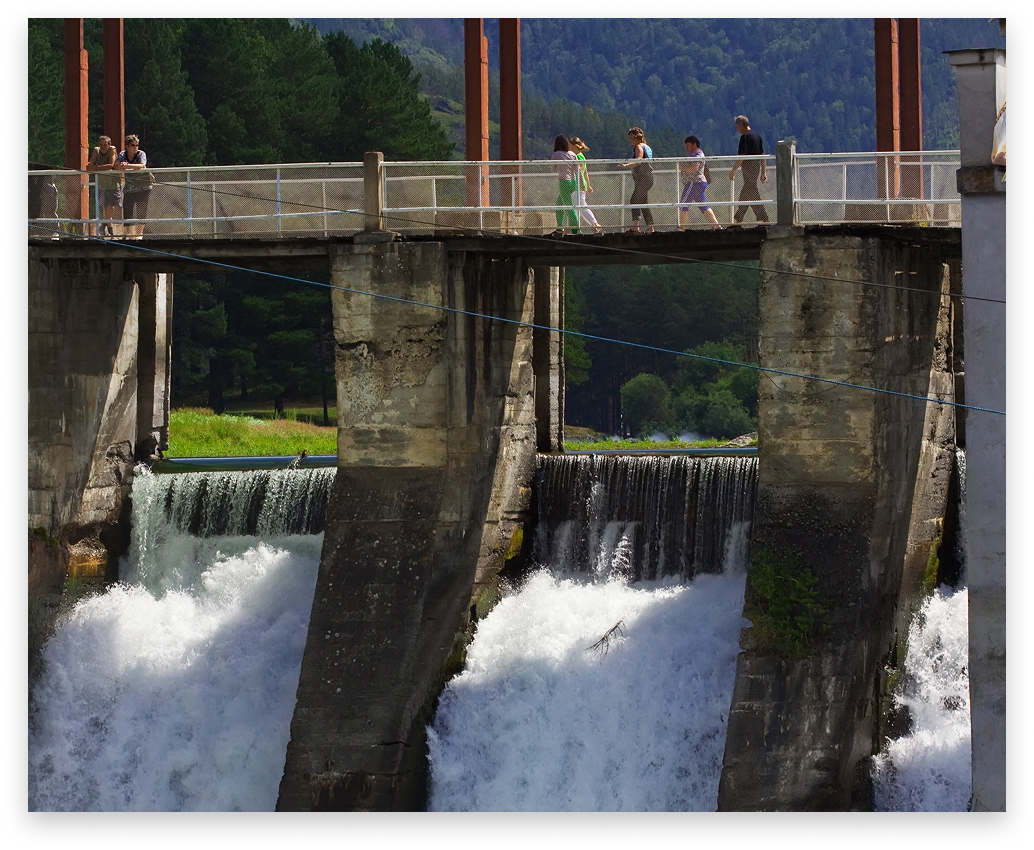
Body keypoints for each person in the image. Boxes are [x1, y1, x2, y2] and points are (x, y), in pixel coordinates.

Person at [727, 115, 769, 226]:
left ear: (741, 125)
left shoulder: (744, 137)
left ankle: (763, 218)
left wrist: (733, 170)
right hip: (756, 166)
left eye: (737, 127)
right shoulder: (757, 136)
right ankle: (739, 218)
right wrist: (763, 171)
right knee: (748, 190)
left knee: (751, 190)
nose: (737, 129)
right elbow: (762, 155)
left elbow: (742, 156)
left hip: (748, 166)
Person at [678, 136, 722, 231]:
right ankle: (716, 225)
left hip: (694, 182)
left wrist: (682, 168)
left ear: (694, 144)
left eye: (688, 145)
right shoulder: (693, 154)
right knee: (703, 206)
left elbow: (694, 168)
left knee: (683, 204)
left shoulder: (697, 155)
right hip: (698, 183)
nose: (687, 148)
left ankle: (682, 228)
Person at [618, 126, 654, 233]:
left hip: (643, 178)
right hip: (647, 178)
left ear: (636, 137)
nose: (630, 141)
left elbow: (638, 160)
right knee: (643, 202)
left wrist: (627, 165)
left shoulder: (639, 147)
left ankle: (636, 225)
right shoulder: (646, 146)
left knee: (634, 200)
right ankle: (650, 226)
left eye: (631, 138)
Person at [116, 134, 152, 239]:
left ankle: (139, 234)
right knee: (127, 212)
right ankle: (129, 235)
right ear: (127, 146)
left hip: (143, 187)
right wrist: (121, 165)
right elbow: (116, 165)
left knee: (141, 211)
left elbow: (142, 165)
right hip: (129, 189)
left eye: (137, 145)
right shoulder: (123, 154)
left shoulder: (141, 154)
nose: (135, 147)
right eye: (132, 145)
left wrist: (127, 166)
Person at [87, 135, 122, 237]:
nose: (103, 147)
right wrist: (93, 166)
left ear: (109, 144)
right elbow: (89, 165)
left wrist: (96, 168)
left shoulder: (112, 150)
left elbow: (111, 164)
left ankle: (103, 225)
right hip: (102, 184)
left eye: (105, 145)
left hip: (113, 183)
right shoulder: (96, 150)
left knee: (111, 207)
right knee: (105, 208)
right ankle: (109, 229)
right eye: (101, 145)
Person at [569, 137, 604, 234]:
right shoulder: (582, 156)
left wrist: (584, 184)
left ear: (574, 146)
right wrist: (588, 185)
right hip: (579, 185)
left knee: (581, 206)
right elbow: (585, 173)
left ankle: (595, 224)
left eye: (570, 146)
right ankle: (573, 227)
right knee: (576, 206)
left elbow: (579, 171)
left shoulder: (578, 157)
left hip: (577, 185)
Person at [550, 134, 580, 236]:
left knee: (568, 207)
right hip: (573, 182)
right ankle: (559, 228)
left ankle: (575, 229)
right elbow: (577, 169)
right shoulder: (572, 154)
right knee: (559, 204)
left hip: (564, 182)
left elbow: (553, 169)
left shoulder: (556, 154)